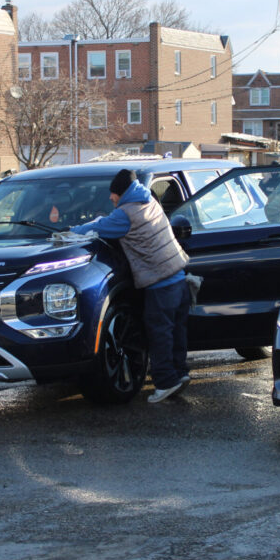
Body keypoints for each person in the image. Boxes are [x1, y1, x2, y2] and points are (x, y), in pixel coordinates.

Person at [70, 169, 190, 403]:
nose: (111, 199)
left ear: (121, 193)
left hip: (160, 283)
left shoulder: (126, 213)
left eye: (113, 194)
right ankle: (180, 374)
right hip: (179, 277)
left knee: (159, 333)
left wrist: (69, 231)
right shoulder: (149, 201)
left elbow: (96, 228)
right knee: (176, 330)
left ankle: (165, 382)